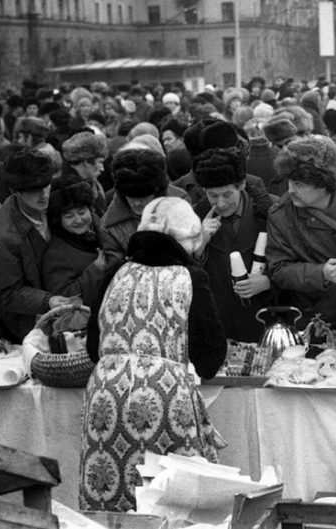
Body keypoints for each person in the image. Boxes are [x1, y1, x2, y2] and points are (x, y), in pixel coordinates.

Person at [80, 197, 228, 512]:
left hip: (106, 395)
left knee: (110, 493)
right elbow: (210, 357)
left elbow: (94, 347)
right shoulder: (190, 277)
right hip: (164, 396)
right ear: (185, 240)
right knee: (171, 499)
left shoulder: (115, 271)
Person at [266, 135, 336, 327]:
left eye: (299, 184)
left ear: (324, 182)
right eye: (290, 182)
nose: (290, 190)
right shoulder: (281, 215)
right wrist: (321, 274)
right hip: (317, 317)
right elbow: (278, 269)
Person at [0, 148, 69, 342]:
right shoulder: (2, 238)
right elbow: (6, 294)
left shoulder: (54, 204)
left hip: (59, 316)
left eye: (46, 186)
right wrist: (48, 300)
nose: (43, 195)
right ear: (15, 191)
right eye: (33, 191)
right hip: (29, 328)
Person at [193, 147, 277, 342]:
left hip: (265, 318)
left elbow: (293, 263)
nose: (221, 204)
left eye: (227, 195)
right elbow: (185, 277)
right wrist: (199, 245)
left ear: (242, 185)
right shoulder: (194, 218)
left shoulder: (272, 212)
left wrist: (268, 282)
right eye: (213, 196)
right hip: (220, 323)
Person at [100, 147, 186, 264]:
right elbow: (115, 270)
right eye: (130, 196)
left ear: (157, 191)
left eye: (143, 197)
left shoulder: (180, 201)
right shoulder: (109, 226)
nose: (136, 203)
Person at [42, 175, 106, 307]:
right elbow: (63, 298)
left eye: (82, 212)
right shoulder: (57, 254)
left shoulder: (101, 228)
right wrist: (96, 270)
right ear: (58, 220)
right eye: (69, 216)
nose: (78, 220)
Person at [62, 131, 109, 217]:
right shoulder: (66, 192)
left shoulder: (93, 183)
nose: (102, 169)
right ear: (87, 162)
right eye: (100, 162)